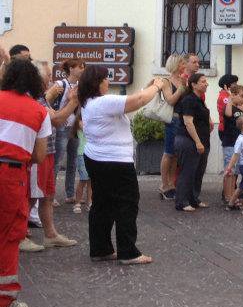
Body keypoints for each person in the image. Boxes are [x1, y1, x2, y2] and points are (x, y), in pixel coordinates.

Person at [79, 66, 167, 265]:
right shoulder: (104, 102)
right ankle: (128, 252)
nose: (108, 82)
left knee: (103, 203)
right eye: (105, 79)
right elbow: (138, 101)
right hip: (115, 161)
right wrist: (158, 86)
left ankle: (100, 249)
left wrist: (149, 87)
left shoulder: (89, 103)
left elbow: (134, 98)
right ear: (98, 82)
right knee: (127, 203)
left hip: (97, 158)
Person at [0, 59, 51, 307]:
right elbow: (40, 156)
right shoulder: (39, 112)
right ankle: (4, 301)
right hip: (12, 175)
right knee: (9, 235)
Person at [34, 64, 79, 248]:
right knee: (33, 196)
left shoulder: (44, 97)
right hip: (40, 153)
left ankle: (50, 234)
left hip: (48, 150)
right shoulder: (38, 98)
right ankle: (19, 236)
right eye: (48, 76)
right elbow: (57, 119)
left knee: (48, 195)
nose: (52, 80)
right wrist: (73, 102)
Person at [174, 73, 213, 212]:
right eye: (203, 81)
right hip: (188, 141)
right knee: (188, 171)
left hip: (201, 140)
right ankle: (182, 202)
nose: (206, 84)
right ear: (193, 84)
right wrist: (197, 142)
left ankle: (194, 199)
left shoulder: (199, 99)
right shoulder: (188, 100)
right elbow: (188, 122)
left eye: (206, 81)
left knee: (198, 172)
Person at [158, 54, 193, 200]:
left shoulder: (183, 80)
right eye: (182, 63)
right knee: (169, 153)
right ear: (176, 65)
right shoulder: (166, 81)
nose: (184, 65)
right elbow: (170, 100)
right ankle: (164, 185)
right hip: (173, 120)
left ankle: (172, 184)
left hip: (183, 120)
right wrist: (181, 88)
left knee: (176, 155)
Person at [52, 58, 84, 204]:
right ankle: (50, 195)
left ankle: (70, 194)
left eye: (83, 67)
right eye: (79, 67)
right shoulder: (60, 84)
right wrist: (59, 115)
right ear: (71, 69)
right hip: (62, 126)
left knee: (73, 161)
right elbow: (48, 102)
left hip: (75, 127)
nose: (82, 69)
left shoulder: (81, 86)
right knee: (57, 161)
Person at [219, 84, 243, 208]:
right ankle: (227, 195)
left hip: (237, 143)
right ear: (234, 95)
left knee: (235, 171)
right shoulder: (230, 107)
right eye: (241, 96)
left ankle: (232, 194)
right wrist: (230, 99)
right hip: (230, 142)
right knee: (229, 171)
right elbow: (229, 114)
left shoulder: (239, 109)